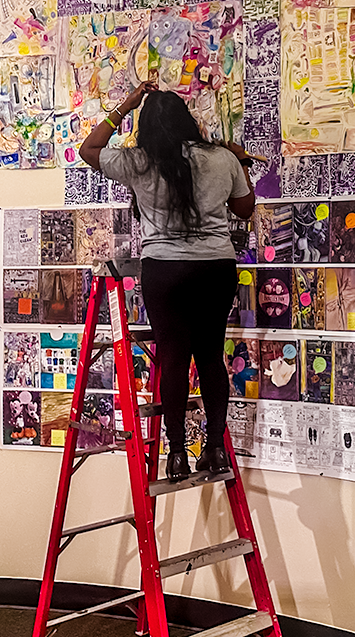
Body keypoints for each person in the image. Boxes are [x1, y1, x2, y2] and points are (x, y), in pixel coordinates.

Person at [79, 83, 256, 482]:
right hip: (215, 268)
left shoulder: (139, 162)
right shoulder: (221, 158)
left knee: (174, 359)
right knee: (210, 358)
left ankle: (176, 454)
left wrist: (126, 104)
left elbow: (89, 149)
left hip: (164, 269)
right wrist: (242, 161)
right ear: (186, 120)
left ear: (146, 126)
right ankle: (215, 449)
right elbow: (245, 209)